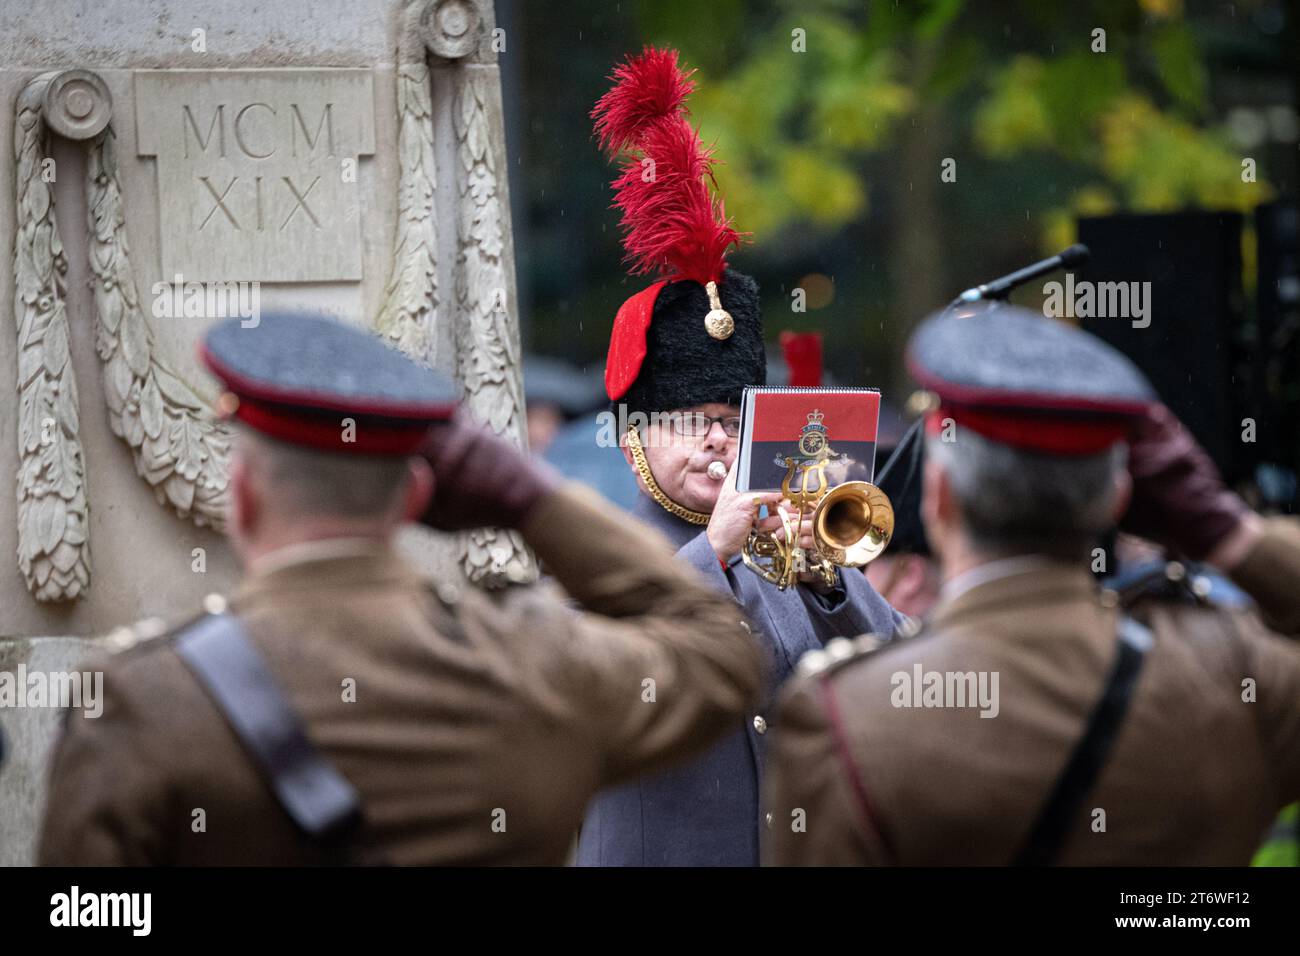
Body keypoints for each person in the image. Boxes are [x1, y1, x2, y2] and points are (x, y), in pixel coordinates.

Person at [38, 311, 763, 866]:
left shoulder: (142, 700)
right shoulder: (537, 663)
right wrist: (532, 499)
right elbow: (717, 651)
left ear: (243, 496)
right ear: (417, 496)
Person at [766, 303, 1300, 866]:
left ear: (938, 496)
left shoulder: (846, 716)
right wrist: (1232, 536)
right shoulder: (1237, 673)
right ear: (1118, 498)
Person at [576, 47, 902, 866]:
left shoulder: (782, 549)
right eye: (689, 419)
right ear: (633, 435)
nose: (718, 438)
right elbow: (594, 691)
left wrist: (829, 574)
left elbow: (897, 672)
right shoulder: (595, 553)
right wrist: (712, 554)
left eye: (730, 416)